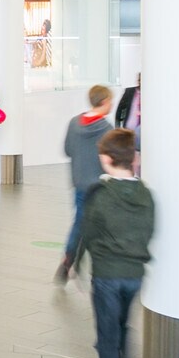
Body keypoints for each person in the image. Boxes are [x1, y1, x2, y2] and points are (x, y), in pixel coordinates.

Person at [76, 129, 154, 358]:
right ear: (132, 158)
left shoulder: (100, 192)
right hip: (135, 275)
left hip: (108, 276)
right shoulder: (145, 193)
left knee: (106, 340)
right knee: (121, 328)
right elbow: (149, 229)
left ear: (107, 160)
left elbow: (89, 231)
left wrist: (78, 265)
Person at [56, 84, 114, 284]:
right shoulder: (106, 128)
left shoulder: (74, 123)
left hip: (79, 182)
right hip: (101, 185)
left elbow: (67, 150)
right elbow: (111, 159)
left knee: (79, 222)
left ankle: (70, 259)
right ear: (105, 101)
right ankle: (94, 265)